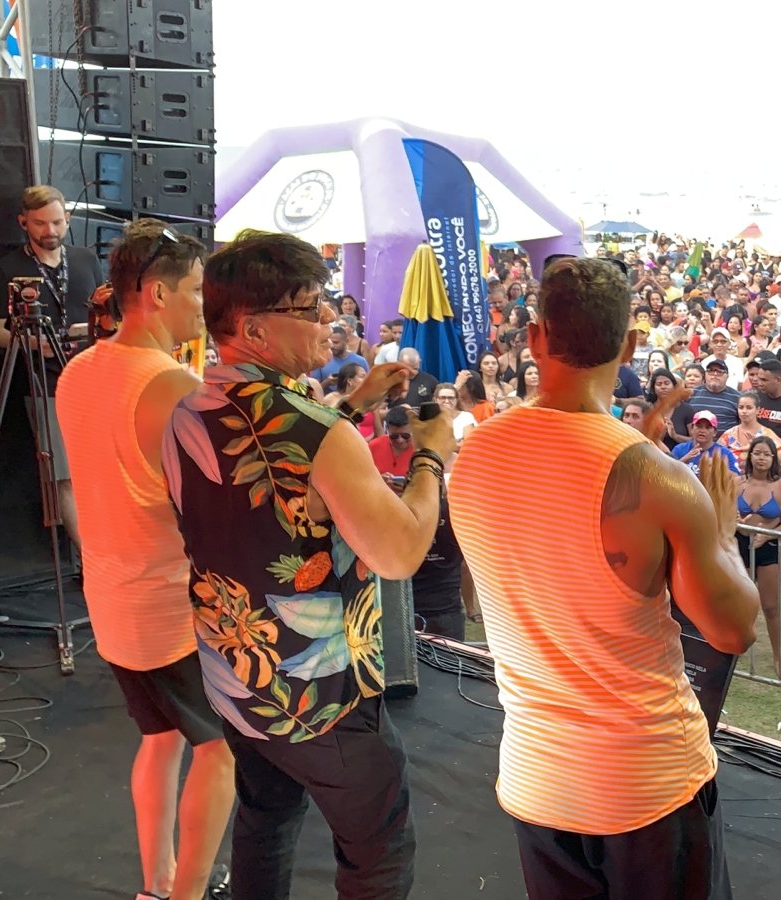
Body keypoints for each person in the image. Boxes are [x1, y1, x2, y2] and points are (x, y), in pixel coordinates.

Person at [450, 256, 760, 899]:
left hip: (538, 778)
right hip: (646, 784)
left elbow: (554, 539)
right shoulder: (656, 478)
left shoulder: (475, 452)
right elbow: (731, 631)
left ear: (534, 338)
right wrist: (723, 534)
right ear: (630, 345)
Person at [165, 229, 449, 897]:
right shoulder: (322, 433)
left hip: (237, 674)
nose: (329, 320)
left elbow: (282, 467)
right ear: (254, 329)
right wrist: (432, 458)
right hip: (319, 696)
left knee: (264, 820)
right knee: (378, 854)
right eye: (309, 308)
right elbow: (401, 552)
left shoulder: (187, 410)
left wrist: (352, 406)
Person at [54, 220, 235, 900]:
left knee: (161, 739)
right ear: (158, 294)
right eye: (196, 291)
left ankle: (157, 885)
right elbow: (215, 505)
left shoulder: (78, 371)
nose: (204, 306)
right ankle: (182, 893)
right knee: (221, 751)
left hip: (112, 598)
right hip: (168, 606)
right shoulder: (173, 384)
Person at [0, 185, 106, 548]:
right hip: (45, 382)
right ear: (24, 223)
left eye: (56, 222)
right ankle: (91, 558)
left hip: (94, 378)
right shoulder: (7, 270)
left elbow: (103, 315)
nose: (49, 231)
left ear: (68, 219)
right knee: (65, 476)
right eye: (39, 223)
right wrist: (33, 343)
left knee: (103, 471)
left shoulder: (85, 260)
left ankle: (107, 551)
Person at [736, 435, 781, 679]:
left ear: (773, 458)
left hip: (769, 548)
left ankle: (778, 658)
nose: (761, 458)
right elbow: (725, 516)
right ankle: (735, 647)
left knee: (771, 607)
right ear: (750, 456)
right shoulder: (737, 483)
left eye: (766, 454)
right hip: (740, 546)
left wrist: (767, 535)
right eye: (757, 453)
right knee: (740, 604)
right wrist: (734, 522)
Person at [673, 410, 741, 476]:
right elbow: (668, 474)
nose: (702, 430)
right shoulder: (679, 449)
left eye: (708, 427)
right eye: (699, 426)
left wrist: (718, 469)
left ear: (715, 432)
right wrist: (683, 460)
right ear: (692, 429)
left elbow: (736, 477)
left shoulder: (724, 453)